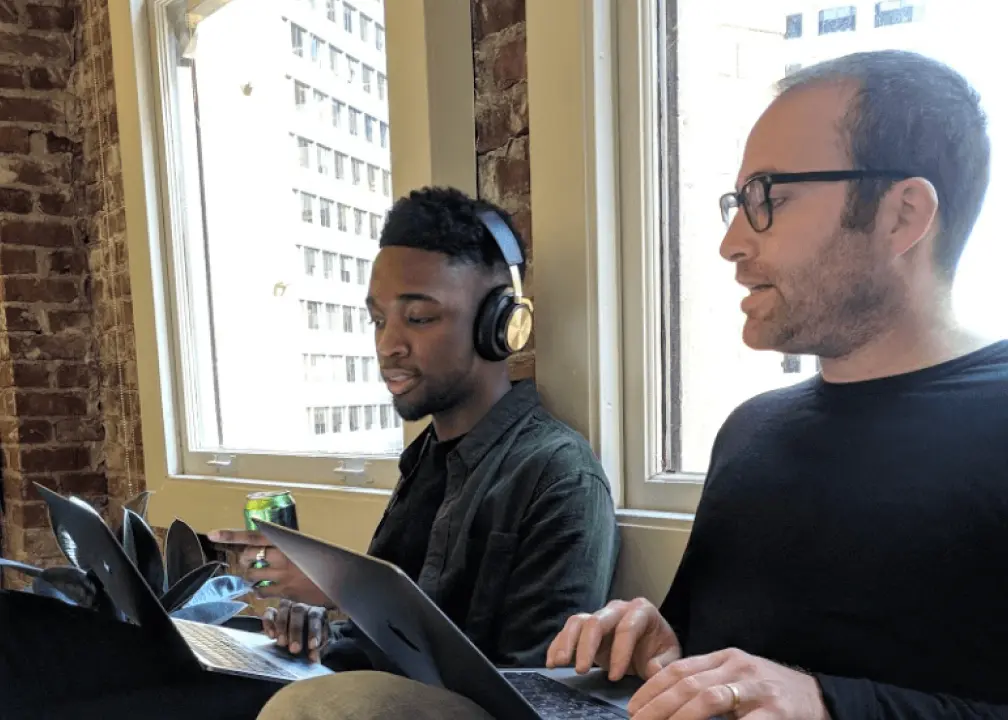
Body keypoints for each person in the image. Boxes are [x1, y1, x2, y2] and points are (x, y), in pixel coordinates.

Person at [258, 49, 1007, 720]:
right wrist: (652, 640)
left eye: (767, 198)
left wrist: (823, 700)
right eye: (737, 202)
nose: (732, 242)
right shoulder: (754, 431)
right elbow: (691, 654)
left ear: (903, 213)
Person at [211, 186, 619, 673]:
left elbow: (534, 695)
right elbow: (383, 647)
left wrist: (339, 587)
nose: (387, 345)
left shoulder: (558, 476)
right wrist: (321, 625)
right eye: (378, 319)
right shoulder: (426, 459)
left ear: (501, 324)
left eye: (419, 317)